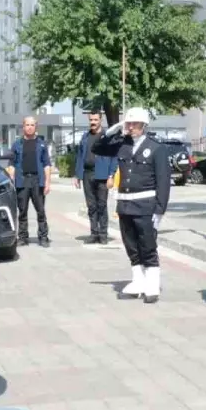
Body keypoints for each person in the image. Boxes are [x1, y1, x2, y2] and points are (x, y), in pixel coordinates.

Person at [91, 107, 171, 303]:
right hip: (125, 204)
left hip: (145, 205)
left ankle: (152, 284)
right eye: (129, 123)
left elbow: (163, 181)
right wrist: (113, 131)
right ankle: (138, 280)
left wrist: (160, 210)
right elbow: (98, 148)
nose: (131, 127)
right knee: (131, 245)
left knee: (147, 245)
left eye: (134, 124)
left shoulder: (156, 148)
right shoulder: (122, 144)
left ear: (144, 126)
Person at [7, 116, 52, 247]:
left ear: (36, 127)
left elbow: (47, 164)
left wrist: (48, 183)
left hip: (37, 181)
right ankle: (22, 237)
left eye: (32, 125)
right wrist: (11, 179)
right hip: (22, 181)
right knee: (22, 211)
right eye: (27, 125)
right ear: (23, 127)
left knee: (41, 210)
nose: (30, 127)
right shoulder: (17, 145)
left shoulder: (42, 144)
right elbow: (12, 164)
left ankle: (43, 237)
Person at [73, 113, 117, 244]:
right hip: (88, 174)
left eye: (95, 120)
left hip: (102, 175)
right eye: (91, 120)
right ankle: (94, 233)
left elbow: (114, 157)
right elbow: (80, 156)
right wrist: (77, 175)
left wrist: (111, 175)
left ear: (100, 120)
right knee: (91, 206)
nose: (93, 122)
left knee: (102, 205)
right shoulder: (85, 137)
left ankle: (103, 234)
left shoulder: (107, 137)